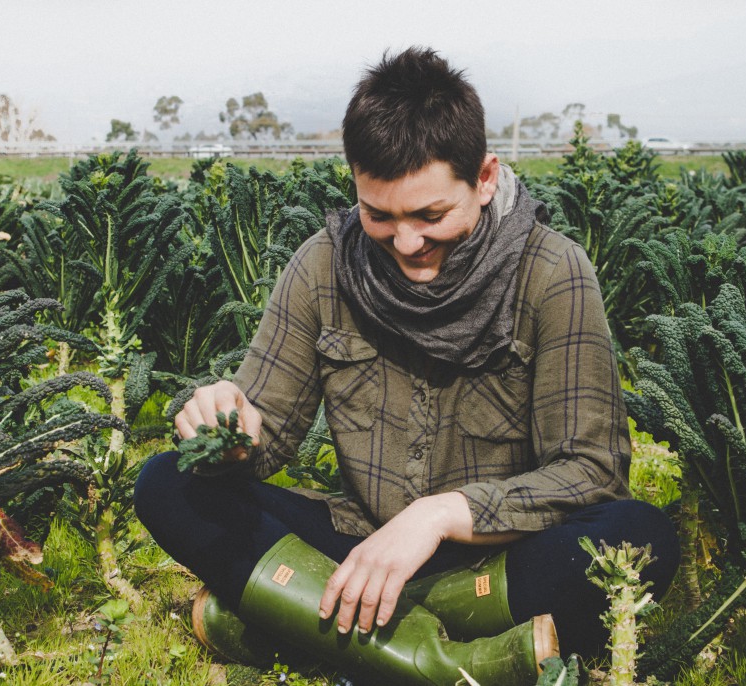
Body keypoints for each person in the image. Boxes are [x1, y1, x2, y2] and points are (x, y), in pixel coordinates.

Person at [135, 46, 679, 685]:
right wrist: (225, 428)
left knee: (638, 535)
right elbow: (266, 433)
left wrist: (442, 514)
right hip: (357, 543)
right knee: (169, 482)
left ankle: (301, 624)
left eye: (430, 215)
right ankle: (444, 659)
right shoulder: (321, 267)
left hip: (497, 558)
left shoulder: (552, 273)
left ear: (483, 177)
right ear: (356, 186)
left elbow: (591, 472)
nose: (408, 244)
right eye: (379, 215)